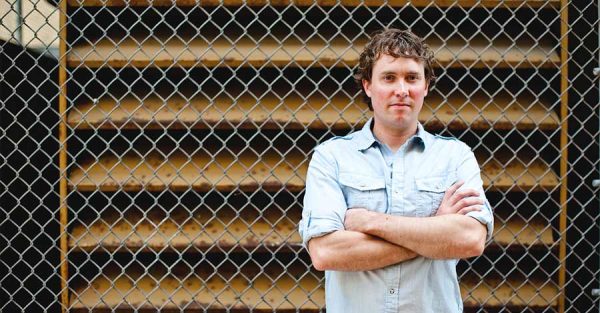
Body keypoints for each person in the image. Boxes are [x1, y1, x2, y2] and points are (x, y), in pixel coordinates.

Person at [298, 29, 494, 313]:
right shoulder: (332, 158)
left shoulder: (455, 156)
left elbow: (470, 239)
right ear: (368, 85)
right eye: (389, 77)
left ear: (426, 86)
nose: (401, 89)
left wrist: (371, 223)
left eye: (412, 78)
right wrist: (435, 231)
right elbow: (326, 252)